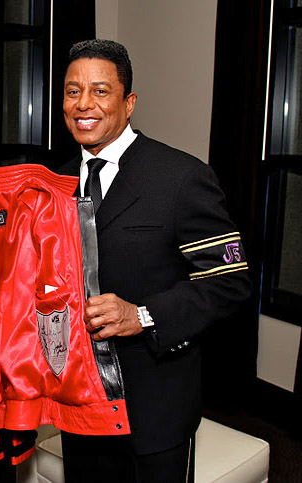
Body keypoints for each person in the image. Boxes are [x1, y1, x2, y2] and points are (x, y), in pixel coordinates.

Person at [56, 39, 252, 482]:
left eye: (100, 91)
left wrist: (142, 315)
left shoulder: (182, 178)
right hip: (79, 407)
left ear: (129, 103)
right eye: (72, 91)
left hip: (155, 411)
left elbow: (229, 281)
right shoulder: (54, 183)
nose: (84, 104)